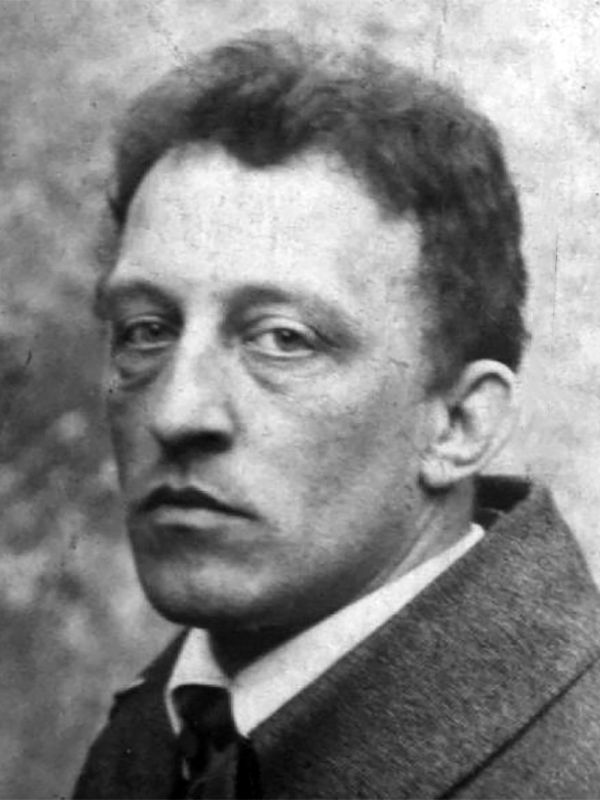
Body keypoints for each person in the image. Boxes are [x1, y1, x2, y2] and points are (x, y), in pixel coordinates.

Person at [73, 31, 600, 799]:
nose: (177, 413)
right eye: (145, 330)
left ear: (459, 425)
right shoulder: (165, 730)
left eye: (284, 339)